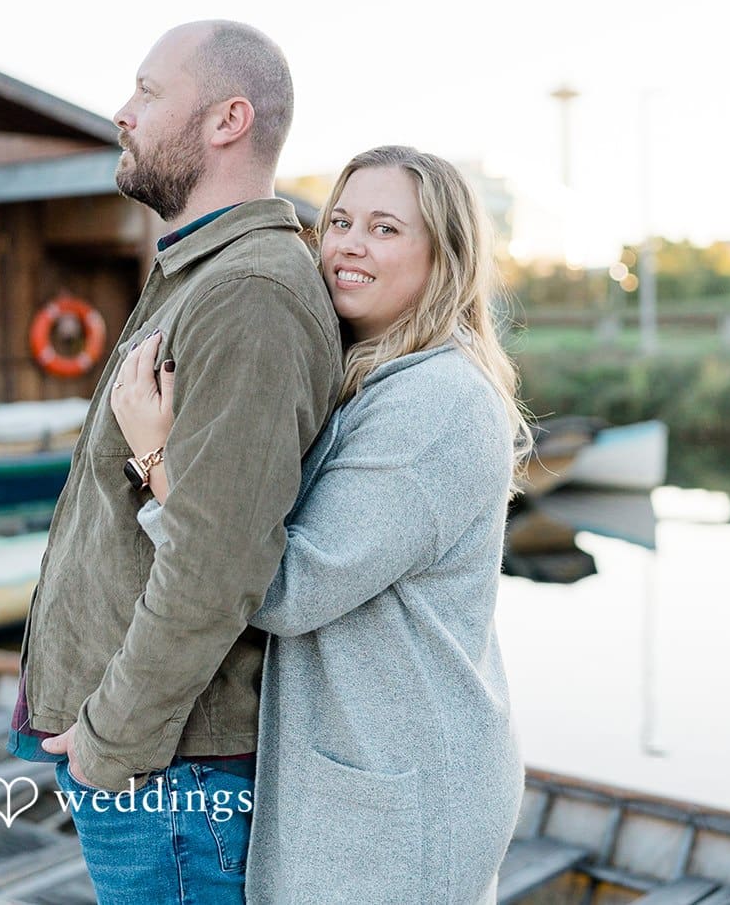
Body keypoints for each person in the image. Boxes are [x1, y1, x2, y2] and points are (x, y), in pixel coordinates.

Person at [112, 145, 528, 904]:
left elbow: (287, 589)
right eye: (339, 220)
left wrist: (157, 457)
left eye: (384, 228)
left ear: (447, 256)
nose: (348, 245)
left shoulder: (436, 403)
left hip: (399, 793)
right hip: (375, 770)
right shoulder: (377, 375)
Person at [10, 20, 343, 905]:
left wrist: (109, 742)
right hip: (150, 768)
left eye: (148, 92)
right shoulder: (198, 275)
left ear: (228, 119)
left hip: (167, 776)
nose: (123, 113)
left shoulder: (250, 295)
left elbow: (217, 560)